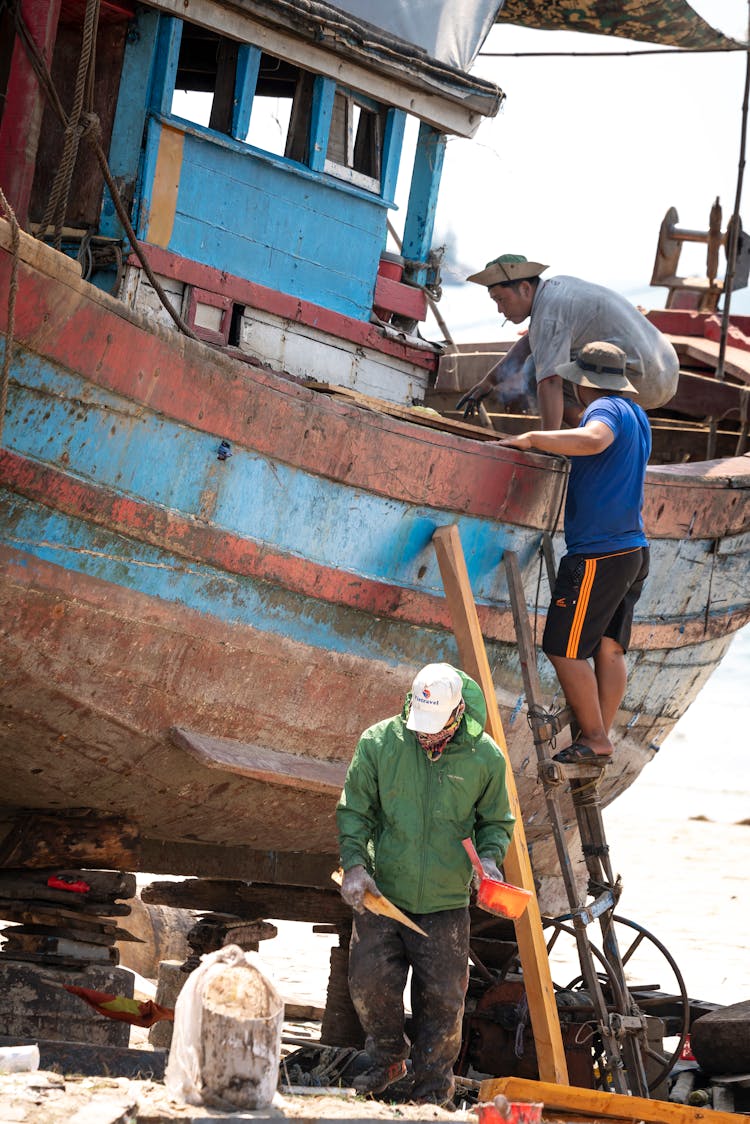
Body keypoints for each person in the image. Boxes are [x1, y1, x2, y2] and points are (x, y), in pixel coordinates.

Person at [336, 663, 515, 1106]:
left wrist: (490, 860)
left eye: (436, 729)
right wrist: (355, 864)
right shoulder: (378, 743)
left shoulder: (486, 758)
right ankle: (387, 1055)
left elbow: (496, 821)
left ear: (457, 714)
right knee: (368, 982)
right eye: (421, 727)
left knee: (443, 1002)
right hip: (384, 896)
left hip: (446, 901)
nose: (426, 736)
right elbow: (355, 811)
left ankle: (433, 1093)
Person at [498, 340, 651, 762]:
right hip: (633, 550)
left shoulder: (603, 411)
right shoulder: (636, 416)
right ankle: (599, 734)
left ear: (585, 384)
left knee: (562, 646)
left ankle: (596, 739)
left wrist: (531, 438)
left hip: (599, 555)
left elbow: (595, 438)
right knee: (608, 647)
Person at [457, 255, 678, 430]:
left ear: (525, 288)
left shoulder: (548, 314)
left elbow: (550, 383)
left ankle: (590, 437)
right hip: (666, 367)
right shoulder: (555, 289)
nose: (499, 309)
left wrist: (547, 445)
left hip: (642, 379)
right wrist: (489, 382)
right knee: (542, 359)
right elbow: (531, 340)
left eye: (501, 299)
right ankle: (593, 434)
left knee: (536, 370)